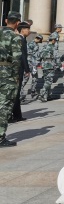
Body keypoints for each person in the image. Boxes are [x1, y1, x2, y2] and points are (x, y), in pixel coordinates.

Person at [0, 11, 22, 147]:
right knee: (5, 106)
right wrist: (15, 77)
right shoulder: (15, 37)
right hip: (7, 74)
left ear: (6, 20)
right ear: (17, 23)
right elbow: (17, 59)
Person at [11, 21, 30, 123]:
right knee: (16, 92)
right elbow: (22, 56)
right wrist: (27, 69)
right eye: (27, 29)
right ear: (22, 30)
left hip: (18, 69)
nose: (29, 31)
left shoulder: (22, 39)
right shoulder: (20, 39)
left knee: (16, 93)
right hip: (18, 69)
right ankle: (15, 115)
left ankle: (17, 115)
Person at [38, 33, 64, 102]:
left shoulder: (44, 46)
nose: (55, 41)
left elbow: (39, 56)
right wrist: (60, 66)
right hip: (50, 65)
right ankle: (42, 94)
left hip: (44, 65)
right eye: (55, 40)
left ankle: (47, 96)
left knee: (46, 80)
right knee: (49, 81)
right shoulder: (53, 47)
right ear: (53, 40)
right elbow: (57, 57)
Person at [22, 34, 43, 101]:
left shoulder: (35, 44)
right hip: (30, 63)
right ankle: (20, 92)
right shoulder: (31, 44)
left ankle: (33, 91)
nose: (40, 42)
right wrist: (34, 65)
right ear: (38, 39)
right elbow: (30, 55)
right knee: (26, 78)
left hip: (33, 64)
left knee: (35, 79)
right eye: (40, 40)